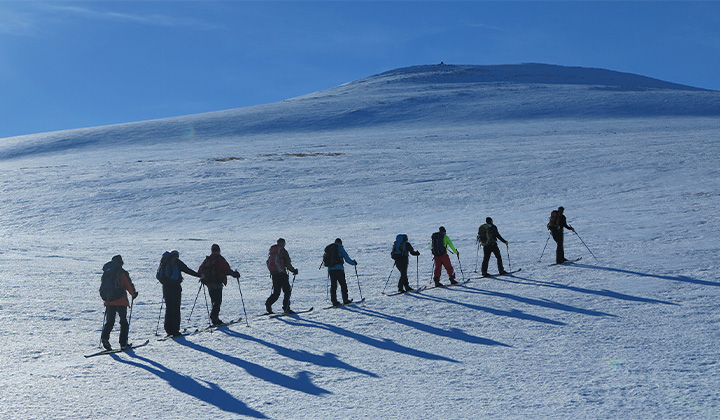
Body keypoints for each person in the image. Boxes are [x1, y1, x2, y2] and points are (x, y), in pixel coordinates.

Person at [156, 250, 201, 337]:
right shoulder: (177, 263)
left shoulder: (165, 263)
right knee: (176, 308)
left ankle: (168, 330)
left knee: (169, 308)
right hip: (175, 288)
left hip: (166, 288)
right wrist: (199, 275)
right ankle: (175, 330)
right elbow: (187, 270)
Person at [100, 255, 138, 350]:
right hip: (121, 300)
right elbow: (128, 284)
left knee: (110, 322)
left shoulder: (107, 273)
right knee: (124, 322)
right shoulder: (122, 272)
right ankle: (123, 343)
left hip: (109, 301)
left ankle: (104, 338)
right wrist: (133, 294)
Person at [198, 244, 240, 325]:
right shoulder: (219, 259)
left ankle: (215, 318)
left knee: (214, 300)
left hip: (209, 283)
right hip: (217, 282)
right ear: (219, 250)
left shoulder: (207, 259)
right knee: (218, 301)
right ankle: (214, 316)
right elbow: (227, 269)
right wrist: (235, 274)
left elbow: (200, 270)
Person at [265, 238, 299, 314]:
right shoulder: (283, 252)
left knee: (276, 292)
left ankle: (268, 303)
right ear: (283, 243)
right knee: (287, 291)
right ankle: (286, 308)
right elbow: (287, 264)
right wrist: (293, 270)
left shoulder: (272, 251)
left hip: (274, 274)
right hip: (282, 274)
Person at [324, 238, 357, 306]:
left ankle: (334, 301)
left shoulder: (330, 248)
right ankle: (345, 300)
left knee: (333, 285)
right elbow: (347, 258)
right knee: (343, 284)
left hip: (330, 269)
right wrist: (353, 263)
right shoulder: (339, 247)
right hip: (339, 269)